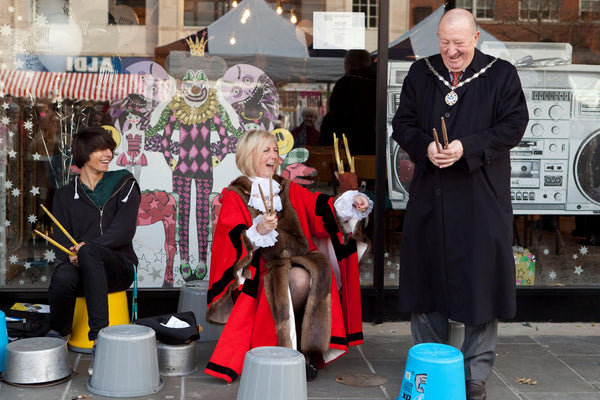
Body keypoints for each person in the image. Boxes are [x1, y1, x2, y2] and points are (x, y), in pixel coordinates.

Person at [391, 9, 528, 400]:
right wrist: (426, 147)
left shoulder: (501, 75)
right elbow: (403, 123)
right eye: (444, 42)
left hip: (481, 197)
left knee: (482, 286)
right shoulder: (421, 73)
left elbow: (513, 127)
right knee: (427, 282)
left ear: (476, 37)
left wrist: (467, 147)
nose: (451, 51)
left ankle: (474, 376)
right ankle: (431, 364)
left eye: (460, 43)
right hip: (430, 197)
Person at [204, 129, 372, 383]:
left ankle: (300, 349)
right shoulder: (236, 194)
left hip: (301, 259)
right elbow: (230, 239)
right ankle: (288, 352)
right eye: (267, 150)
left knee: (314, 269)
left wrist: (351, 200)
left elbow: (319, 207)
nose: (275, 156)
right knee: (292, 279)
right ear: (250, 155)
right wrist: (258, 231)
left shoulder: (286, 188)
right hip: (260, 269)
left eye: (275, 150)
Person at [46, 126, 141, 375]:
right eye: (100, 149)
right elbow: (61, 240)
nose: (108, 154)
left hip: (118, 267)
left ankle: (99, 339)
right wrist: (72, 254)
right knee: (63, 276)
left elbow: (124, 231)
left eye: (110, 148)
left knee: (90, 251)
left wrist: (88, 249)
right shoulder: (66, 195)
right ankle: (58, 333)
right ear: (84, 154)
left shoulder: (124, 183)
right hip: (81, 269)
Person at [321, 49, 376, 154]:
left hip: (348, 144)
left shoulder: (345, 84)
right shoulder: (379, 82)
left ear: (349, 64)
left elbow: (335, 112)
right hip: (374, 145)